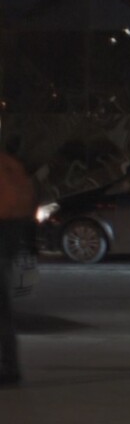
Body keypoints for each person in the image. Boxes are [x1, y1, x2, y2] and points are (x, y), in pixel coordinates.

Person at [0, 145, 37, 387]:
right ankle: (10, 368)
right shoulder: (10, 164)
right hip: (9, 237)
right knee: (3, 309)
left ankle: (9, 370)